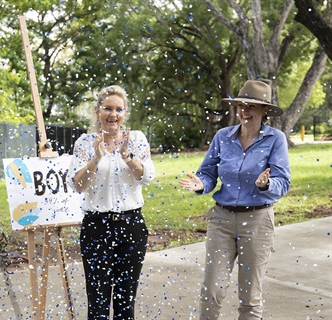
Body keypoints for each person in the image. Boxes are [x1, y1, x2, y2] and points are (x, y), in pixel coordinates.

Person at [179, 79, 291, 320]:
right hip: (222, 220)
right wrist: (201, 183)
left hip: (258, 221)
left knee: (250, 297)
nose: (244, 111)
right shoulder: (223, 137)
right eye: (241, 105)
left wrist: (267, 184)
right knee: (211, 290)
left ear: (264, 111)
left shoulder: (276, 139)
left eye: (250, 106)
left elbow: (283, 182)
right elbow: (207, 173)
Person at [67, 85, 156, 319]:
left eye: (119, 109)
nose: (113, 114)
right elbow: (77, 185)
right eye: (108, 108)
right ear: (97, 111)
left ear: (125, 113)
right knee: (97, 301)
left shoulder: (136, 139)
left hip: (131, 226)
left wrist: (128, 157)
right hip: (96, 227)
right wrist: (95, 159)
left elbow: (146, 176)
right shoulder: (85, 143)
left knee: (125, 301)